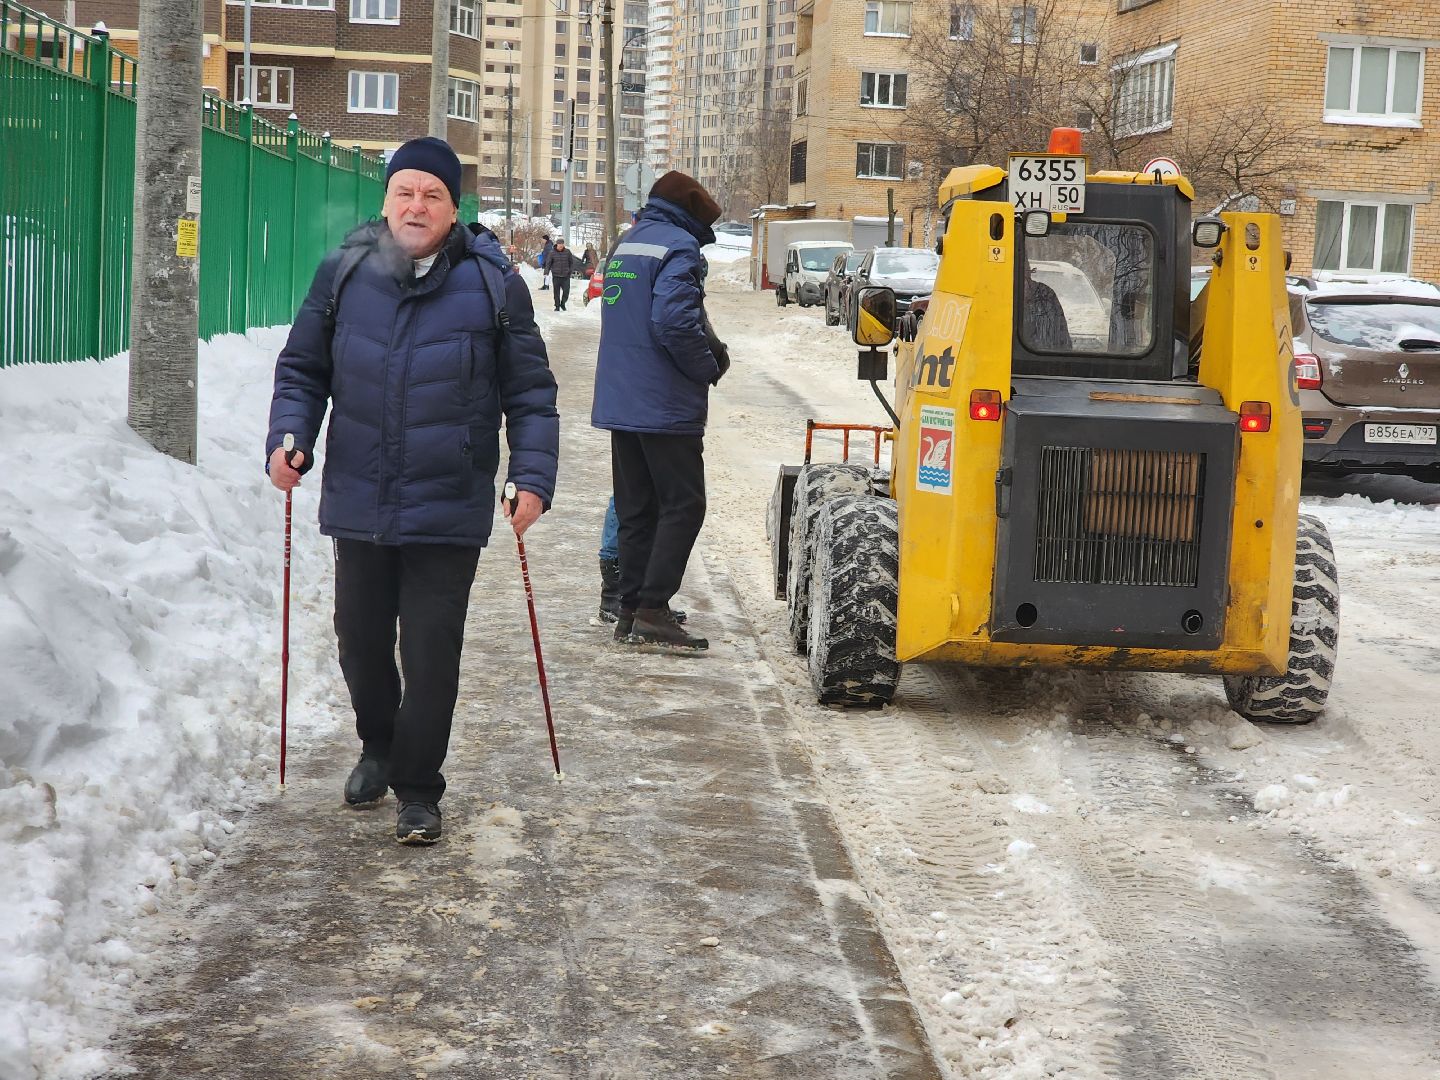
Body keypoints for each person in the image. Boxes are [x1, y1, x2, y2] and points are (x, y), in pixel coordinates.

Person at [265, 136, 560, 846]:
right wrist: (290, 435)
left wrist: (531, 475)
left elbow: (530, 393)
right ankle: (378, 747)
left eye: (432, 195)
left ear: (454, 208)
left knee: (430, 654)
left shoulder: (493, 284)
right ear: (387, 199)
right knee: (361, 643)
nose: (416, 206)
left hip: (448, 500)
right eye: (405, 192)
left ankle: (419, 787)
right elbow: (302, 368)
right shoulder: (345, 271)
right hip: (361, 494)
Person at [591, 171, 730, 652]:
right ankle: (653, 609)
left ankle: (630, 609)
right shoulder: (679, 247)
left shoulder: (628, 242)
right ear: (692, 217)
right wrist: (706, 365)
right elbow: (673, 321)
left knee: (637, 507)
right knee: (684, 505)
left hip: (622, 397)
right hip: (664, 402)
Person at [548, 239, 576, 311]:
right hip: (556, 276)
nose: (560, 245)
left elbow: (571, 262)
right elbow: (549, 263)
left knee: (566, 291)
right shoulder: (552, 252)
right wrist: (546, 271)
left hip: (565, 276)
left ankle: (563, 303)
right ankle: (557, 306)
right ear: (557, 244)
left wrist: (570, 271)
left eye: (562, 244)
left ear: (563, 245)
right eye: (559, 244)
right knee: (556, 292)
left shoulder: (567, 252)